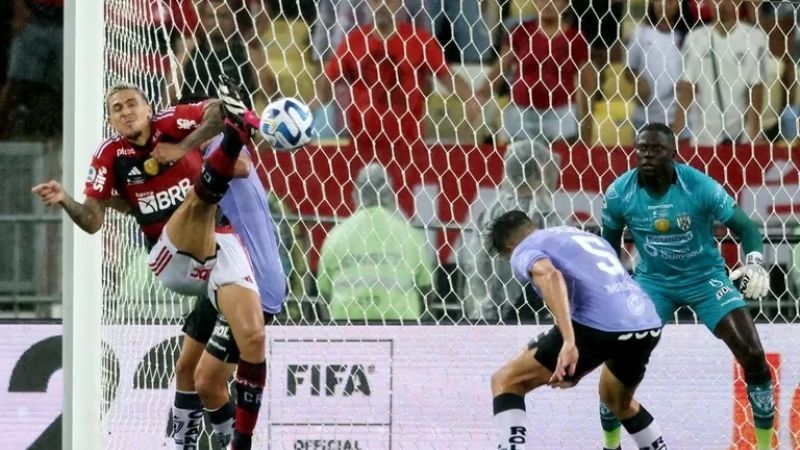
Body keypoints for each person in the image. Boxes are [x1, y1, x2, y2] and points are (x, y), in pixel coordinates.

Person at [31, 77, 268, 450]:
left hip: (220, 246)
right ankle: (239, 136)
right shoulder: (109, 155)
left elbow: (215, 111)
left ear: (148, 107)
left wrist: (183, 146)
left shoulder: (171, 123)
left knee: (202, 365)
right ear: (110, 120)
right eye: (117, 109)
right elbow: (93, 222)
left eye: (131, 104)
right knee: (198, 202)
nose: (126, 112)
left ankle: (198, 442)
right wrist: (65, 199)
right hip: (169, 256)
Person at [598, 123, 773, 450]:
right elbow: (607, 247)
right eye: (642, 149)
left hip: (705, 279)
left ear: (673, 153)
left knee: (753, 354)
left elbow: (747, 228)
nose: (647, 155)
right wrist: (612, 288)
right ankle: (611, 445)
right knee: (618, 364)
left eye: (656, 149)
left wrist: (753, 262)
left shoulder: (700, 186)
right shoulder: (620, 192)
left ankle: (765, 447)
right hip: (653, 283)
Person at [488, 211, 667, 450]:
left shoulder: (524, 248)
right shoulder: (582, 236)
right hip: (646, 322)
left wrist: (569, 343)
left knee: (506, 381)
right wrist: (580, 366)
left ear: (509, 247)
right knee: (617, 401)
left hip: (598, 326)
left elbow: (550, 276)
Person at [457, 139, 561, 322]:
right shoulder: (547, 215)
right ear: (538, 173)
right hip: (532, 313)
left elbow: (474, 262)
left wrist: (483, 308)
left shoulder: (489, 212)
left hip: (489, 312)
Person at [316, 163, 433, 323]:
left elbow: (323, 294)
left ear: (356, 194)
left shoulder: (336, 236)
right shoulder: (409, 235)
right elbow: (427, 289)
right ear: (391, 194)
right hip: (401, 326)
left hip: (346, 326)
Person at [480, 0, 592, 144]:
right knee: (517, 160)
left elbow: (587, 83)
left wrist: (586, 127)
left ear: (566, 4)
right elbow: (501, 67)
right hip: (521, 112)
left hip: (559, 115)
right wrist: (482, 94)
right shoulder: (520, 32)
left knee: (560, 161)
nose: (548, 4)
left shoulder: (576, 38)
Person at [674, 0, 768, 145]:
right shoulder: (694, 38)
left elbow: (756, 91)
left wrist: (753, 135)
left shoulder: (755, 38)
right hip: (704, 139)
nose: (722, 5)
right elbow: (687, 89)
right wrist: (676, 134)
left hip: (741, 139)